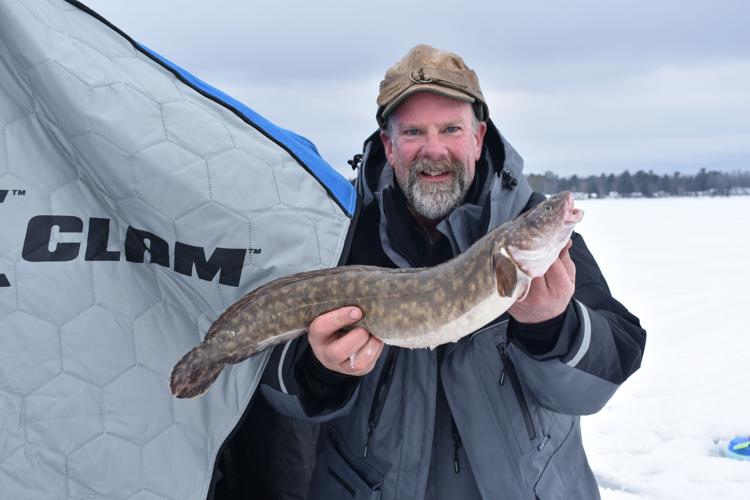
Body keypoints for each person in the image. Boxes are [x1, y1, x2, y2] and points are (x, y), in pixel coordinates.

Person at [259, 44, 646, 499]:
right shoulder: (340, 232)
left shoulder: (528, 222)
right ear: (388, 143)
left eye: (451, 129)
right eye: (414, 132)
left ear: (479, 137)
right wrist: (322, 371)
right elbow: (273, 391)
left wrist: (555, 328)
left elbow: (607, 370)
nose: (434, 149)